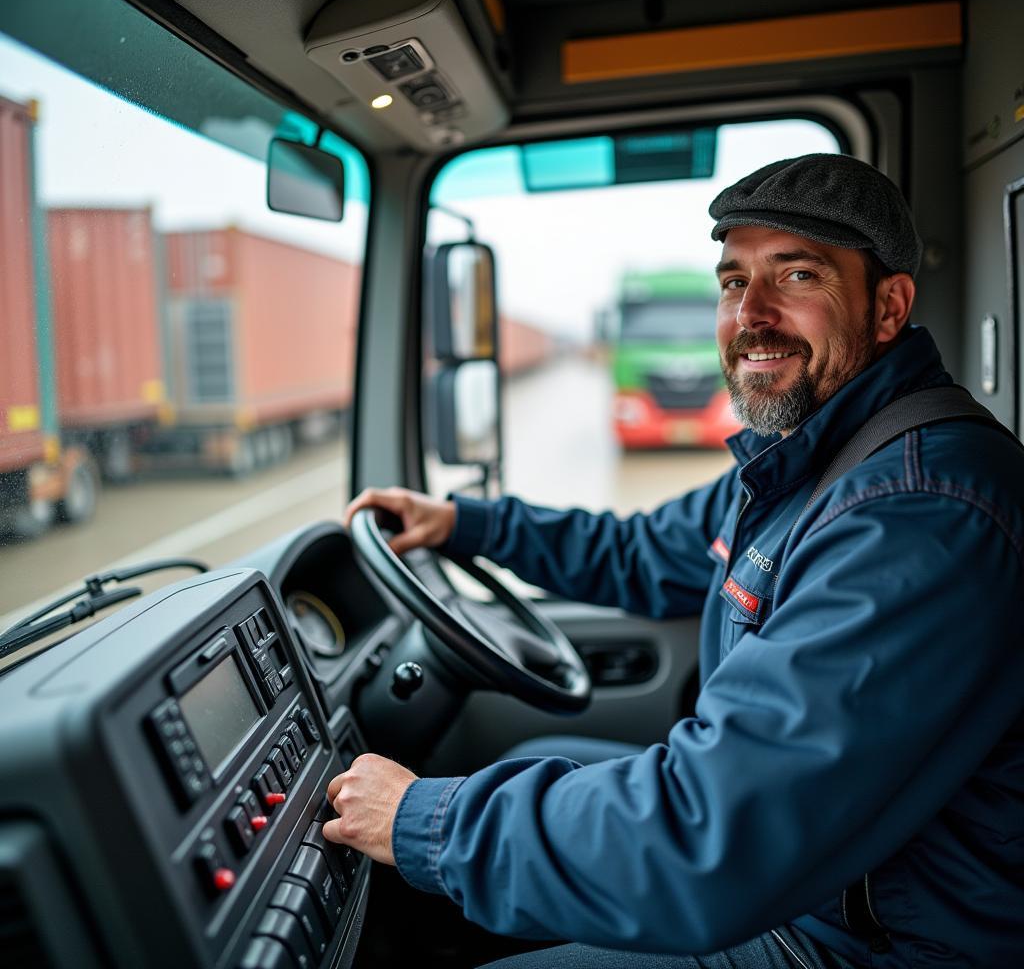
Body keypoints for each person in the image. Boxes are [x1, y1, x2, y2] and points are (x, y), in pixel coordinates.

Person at [322, 154, 1024, 968]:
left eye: (797, 275)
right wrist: (464, 524)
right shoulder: (803, 462)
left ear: (887, 306)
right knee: (522, 767)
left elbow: (714, 833)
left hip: (870, 940)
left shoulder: (916, 514)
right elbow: (640, 551)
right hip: (821, 880)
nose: (751, 313)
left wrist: (422, 819)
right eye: (733, 282)